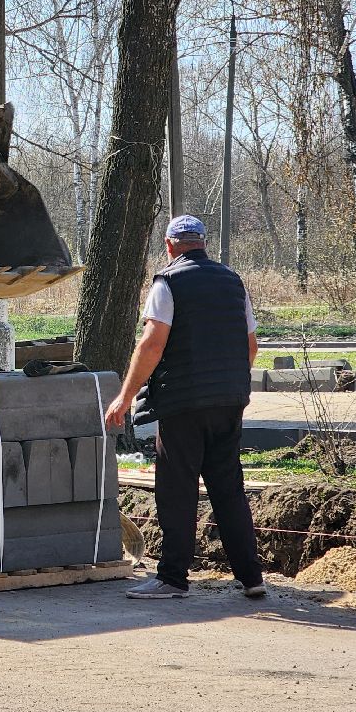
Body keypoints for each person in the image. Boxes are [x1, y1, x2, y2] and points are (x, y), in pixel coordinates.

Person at [104, 214, 266, 600]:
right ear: (203, 243)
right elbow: (251, 346)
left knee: (177, 489)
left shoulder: (168, 281)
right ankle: (251, 577)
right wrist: (227, 385)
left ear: (169, 244)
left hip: (184, 404)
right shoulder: (232, 281)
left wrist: (125, 397)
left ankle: (173, 579)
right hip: (230, 402)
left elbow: (152, 345)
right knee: (229, 489)